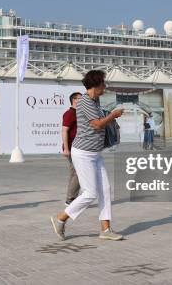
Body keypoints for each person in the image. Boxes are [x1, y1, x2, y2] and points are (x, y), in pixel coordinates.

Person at [51, 70, 125, 241]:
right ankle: (60, 219)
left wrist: (111, 117)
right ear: (96, 85)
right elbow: (97, 125)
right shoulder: (85, 101)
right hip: (83, 154)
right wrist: (113, 115)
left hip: (96, 153)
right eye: (103, 84)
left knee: (105, 190)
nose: (105, 87)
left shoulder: (95, 100)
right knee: (90, 193)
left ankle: (105, 230)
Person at [61, 92, 82, 206]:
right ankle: (70, 200)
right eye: (80, 98)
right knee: (76, 173)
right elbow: (64, 131)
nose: (83, 100)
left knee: (77, 173)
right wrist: (66, 148)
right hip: (72, 148)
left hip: (80, 147)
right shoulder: (69, 114)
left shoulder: (79, 113)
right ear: (74, 100)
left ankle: (73, 198)